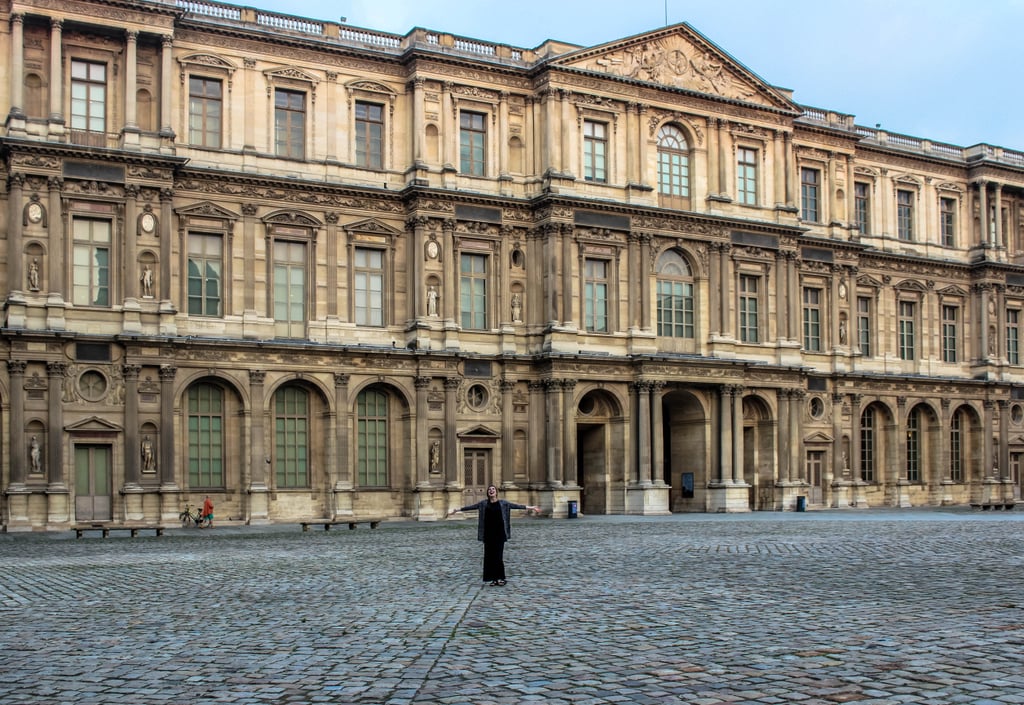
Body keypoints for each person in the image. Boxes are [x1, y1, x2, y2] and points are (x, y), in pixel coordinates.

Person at [448, 485, 539, 587]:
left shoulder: (503, 503)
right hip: (488, 535)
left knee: (498, 557)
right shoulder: (483, 504)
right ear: (488, 493)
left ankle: (501, 578)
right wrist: (456, 510)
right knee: (489, 558)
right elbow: (470, 507)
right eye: (490, 490)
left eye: (493, 490)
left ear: (496, 492)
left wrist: (531, 507)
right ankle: (493, 579)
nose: (491, 491)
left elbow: (516, 506)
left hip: (500, 534)